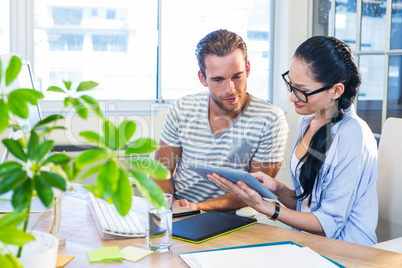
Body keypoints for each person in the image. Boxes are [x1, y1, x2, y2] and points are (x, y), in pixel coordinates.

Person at [209, 36, 378, 246]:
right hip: (306, 242)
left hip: (348, 250)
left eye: (303, 91)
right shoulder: (308, 121)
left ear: (336, 90)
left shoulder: (353, 134)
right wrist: (278, 189)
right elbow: (308, 205)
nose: (292, 97)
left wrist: (269, 209)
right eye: (291, 85)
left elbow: (329, 224)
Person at [154, 29, 289, 211]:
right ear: (203, 78)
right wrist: (169, 206)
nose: (230, 89)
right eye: (218, 80)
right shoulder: (182, 108)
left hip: (232, 218)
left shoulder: (271, 119)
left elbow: (255, 189)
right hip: (179, 210)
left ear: (247, 68)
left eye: (237, 76)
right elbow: (160, 171)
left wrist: (198, 207)